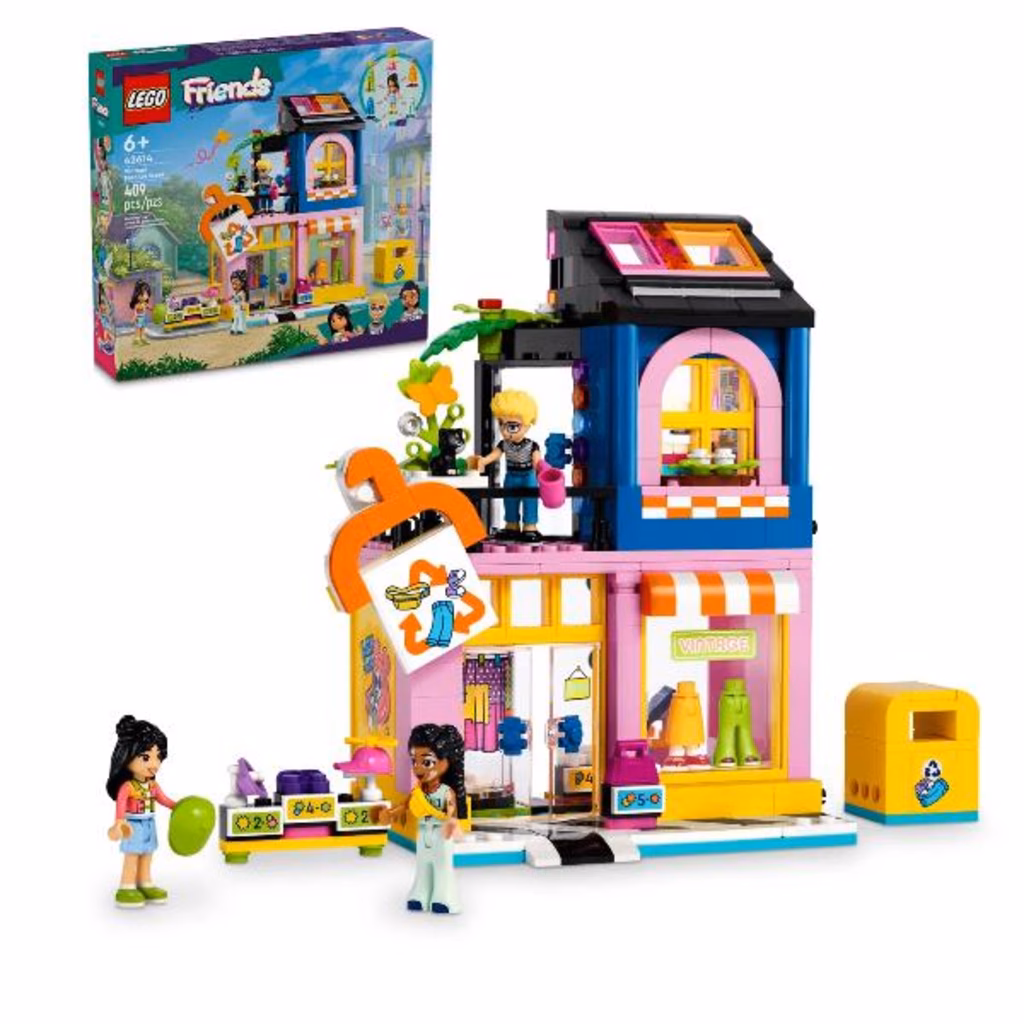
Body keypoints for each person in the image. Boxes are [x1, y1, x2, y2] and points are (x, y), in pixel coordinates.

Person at [379, 724, 465, 914]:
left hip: (441, 833)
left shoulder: (446, 791)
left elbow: (451, 810)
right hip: (423, 832)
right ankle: (421, 893)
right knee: (423, 864)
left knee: (441, 865)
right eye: (414, 761)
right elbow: (406, 805)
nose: (417, 768)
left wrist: (451, 823)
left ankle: (444, 897)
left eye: (426, 762)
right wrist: (391, 814)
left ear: (446, 761)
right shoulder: (417, 791)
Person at [106, 716, 178, 909]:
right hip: (133, 825)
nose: (154, 764)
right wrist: (119, 822)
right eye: (146, 757)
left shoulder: (152, 785)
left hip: (149, 824)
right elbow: (120, 807)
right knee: (132, 855)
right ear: (127, 757)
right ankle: (126, 886)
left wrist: (178, 806)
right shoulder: (128, 787)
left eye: (158, 757)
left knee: (147, 854)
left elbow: (164, 800)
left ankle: (145, 883)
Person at [468, 390, 543, 542]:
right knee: (509, 500)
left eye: (512, 426)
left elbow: (537, 462)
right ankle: (512, 525)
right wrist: (483, 461)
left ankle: (530, 526)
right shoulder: (504, 444)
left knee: (530, 500)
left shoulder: (532, 445)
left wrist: (541, 472)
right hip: (511, 476)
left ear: (527, 425)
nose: (504, 431)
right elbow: (494, 455)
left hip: (528, 476)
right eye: (501, 424)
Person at [128, 280, 151, 347]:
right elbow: (135, 312)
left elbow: (148, 307)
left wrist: (153, 309)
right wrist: (134, 317)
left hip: (143, 317)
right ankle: (137, 339)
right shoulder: (137, 305)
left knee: (143, 328)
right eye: (143, 294)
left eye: (146, 294)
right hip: (139, 318)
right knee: (138, 328)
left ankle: (142, 338)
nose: (145, 296)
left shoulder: (144, 303)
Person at [229, 270, 248, 335]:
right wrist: (224, 300)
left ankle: (241, 329)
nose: (234, 286)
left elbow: (243, 300)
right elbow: (231, 297)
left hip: (240, 307)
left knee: (240, 318)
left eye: (236, 284)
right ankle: (234, 328)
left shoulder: (242, 293)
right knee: (235, 318)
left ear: (242, 284)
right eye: (233, 284)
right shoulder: (234, 293)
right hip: (235, 307)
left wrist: (243, 305)